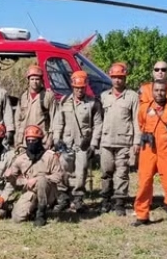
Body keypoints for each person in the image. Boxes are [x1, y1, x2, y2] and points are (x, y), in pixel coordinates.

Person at [133, 80, 167, 231]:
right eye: (156, 90)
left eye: (162, 90)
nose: (159, 93)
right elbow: (142, 124)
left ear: (166, 91)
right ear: (152, 91)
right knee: (144, 183)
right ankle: (142, 215)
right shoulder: (144, 108)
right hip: (148, 150)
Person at [51, 70, 102, 212]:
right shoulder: (64, 101)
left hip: (83, 144)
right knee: (63, 171)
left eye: (82, 88)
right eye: (77, 87)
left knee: (81, 172)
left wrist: (93, 144)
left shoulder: (93, 103)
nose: (79, 90)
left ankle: (78, 198)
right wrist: (56, 139)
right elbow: (58, 122)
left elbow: (98, 125)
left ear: (85, 87)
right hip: (66, 143)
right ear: (72, 87)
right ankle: (63, 197)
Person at [97, 62, 140, 215]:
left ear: (125, 78)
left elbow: (136, 120)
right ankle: (106, 200)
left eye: (120, 77)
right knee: (106, 172)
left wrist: (136, 141)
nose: (117, 80)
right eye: (114, 77)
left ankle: (120, 202)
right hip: (107, 141)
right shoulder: (104, 96)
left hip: (124, 142)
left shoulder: (133, 97)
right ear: (110, 77)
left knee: (122, 173)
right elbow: (99, 119)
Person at [1, 125, 63, 226]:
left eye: (33, 140)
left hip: (48, 191)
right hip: (30, 192)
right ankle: (31, 210)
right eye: (28, 140)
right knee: (17, 218)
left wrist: (39, 179)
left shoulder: (50, 156)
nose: (30, 143)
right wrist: (9, 176)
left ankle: (41, 213)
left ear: (39, 140)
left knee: (42, 181)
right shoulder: (21, 159)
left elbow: (59, 176)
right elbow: (14, 181)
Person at [13, 65, 57, 148]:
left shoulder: (48, 96)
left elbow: (55, 120)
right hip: (25, 141)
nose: (35, 82)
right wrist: (17, 139)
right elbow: (18, 120)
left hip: (42, 140)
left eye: (37, 79)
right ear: (28, 80)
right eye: (32, 79)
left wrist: (50, 139)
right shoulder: (23, 97)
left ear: (41, 80)